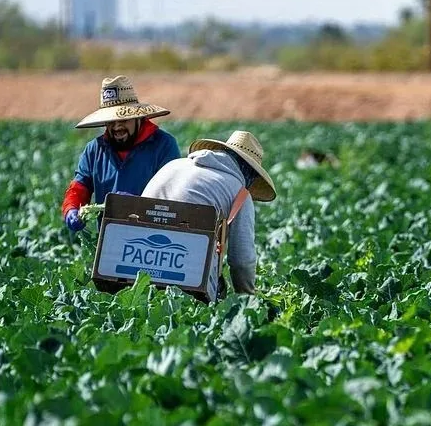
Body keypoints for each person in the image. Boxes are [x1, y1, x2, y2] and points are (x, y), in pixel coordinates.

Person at [141, 130, 277, 297]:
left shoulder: (173, 165)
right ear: (249, 172)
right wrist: (247, 298)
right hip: (187, 272)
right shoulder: (240, 193)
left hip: (138, 260)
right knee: (218, 289)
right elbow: (241, 261)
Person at [61, 75, 181, 232]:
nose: (117, 127)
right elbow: (79, 188)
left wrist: (137, 206)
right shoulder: (94, 150)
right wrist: (71, 208)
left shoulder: (163, 145)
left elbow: (173, 199)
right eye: (111, 122)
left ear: (139, 117)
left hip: (152, 238)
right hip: (108, 239)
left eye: (123, 120)